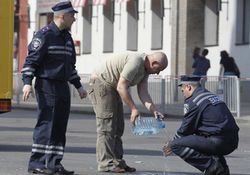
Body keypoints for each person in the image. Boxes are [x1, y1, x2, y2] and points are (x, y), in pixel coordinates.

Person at [21, 1, 87, 175]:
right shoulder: (44, 36)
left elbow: (70, 66)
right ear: (63, 16)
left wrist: (79, 86)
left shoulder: (67, 38)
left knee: (59, 126)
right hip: (47, 85)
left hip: (62, 87)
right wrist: (27, 82)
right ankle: (37, 163)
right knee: (46, 124)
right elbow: (31, 62)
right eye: (72, 16)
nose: (74, 19)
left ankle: (54, 164)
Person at [87, 52, 168, 173]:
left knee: (118, 127)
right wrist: (134, 109)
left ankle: (117, 162)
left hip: (112, 87)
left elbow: (143, 92)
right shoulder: (136, 62)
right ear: (153, 63)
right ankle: (106, 163)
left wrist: (154, 110)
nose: (158, 73)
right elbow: (121, 87)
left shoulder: (145, 70)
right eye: (159, 69)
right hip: (101, 84)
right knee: (107, 126)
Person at [163, 75, 239, 175]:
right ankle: (222, 169)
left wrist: (171, 143)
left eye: (183, 90)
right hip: (232, 141)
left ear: (188, 87)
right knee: (202, 138)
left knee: (176, 145)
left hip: (218, 141)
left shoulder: (194, 100)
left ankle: (211, 166)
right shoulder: (211, 96)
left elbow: (186, 128)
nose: (184, 94)